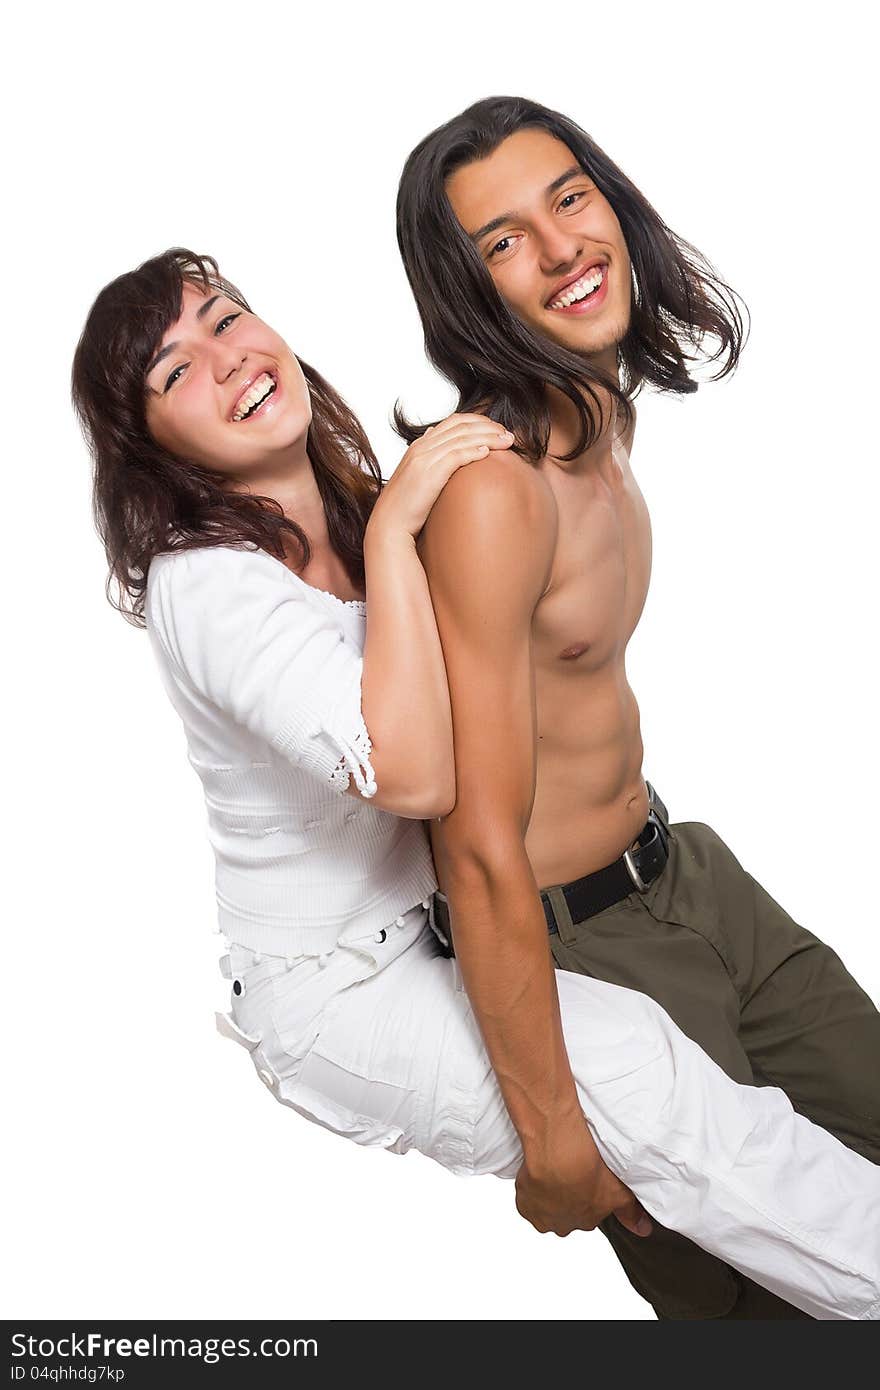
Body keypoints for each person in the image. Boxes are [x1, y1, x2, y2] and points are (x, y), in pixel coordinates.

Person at [70, 247, 880, 1323]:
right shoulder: (207, 584)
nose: (226, 360)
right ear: (153, 449)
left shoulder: (362, 510)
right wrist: (405, 528)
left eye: (225, 319)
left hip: (454, 924)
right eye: (173, 372)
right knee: (647, 1087)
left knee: (685, 1120)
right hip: (334, 991)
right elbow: (411, 770)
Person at [394, 94, 880, 1320]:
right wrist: (553, 1124)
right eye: (502, 240)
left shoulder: (597, 423)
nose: (561, 248)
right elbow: (472, 841)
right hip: (584, 950)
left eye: (568, 197)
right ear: (465, 292)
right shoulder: (495, 491)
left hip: (689, 875)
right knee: (766, 1305)